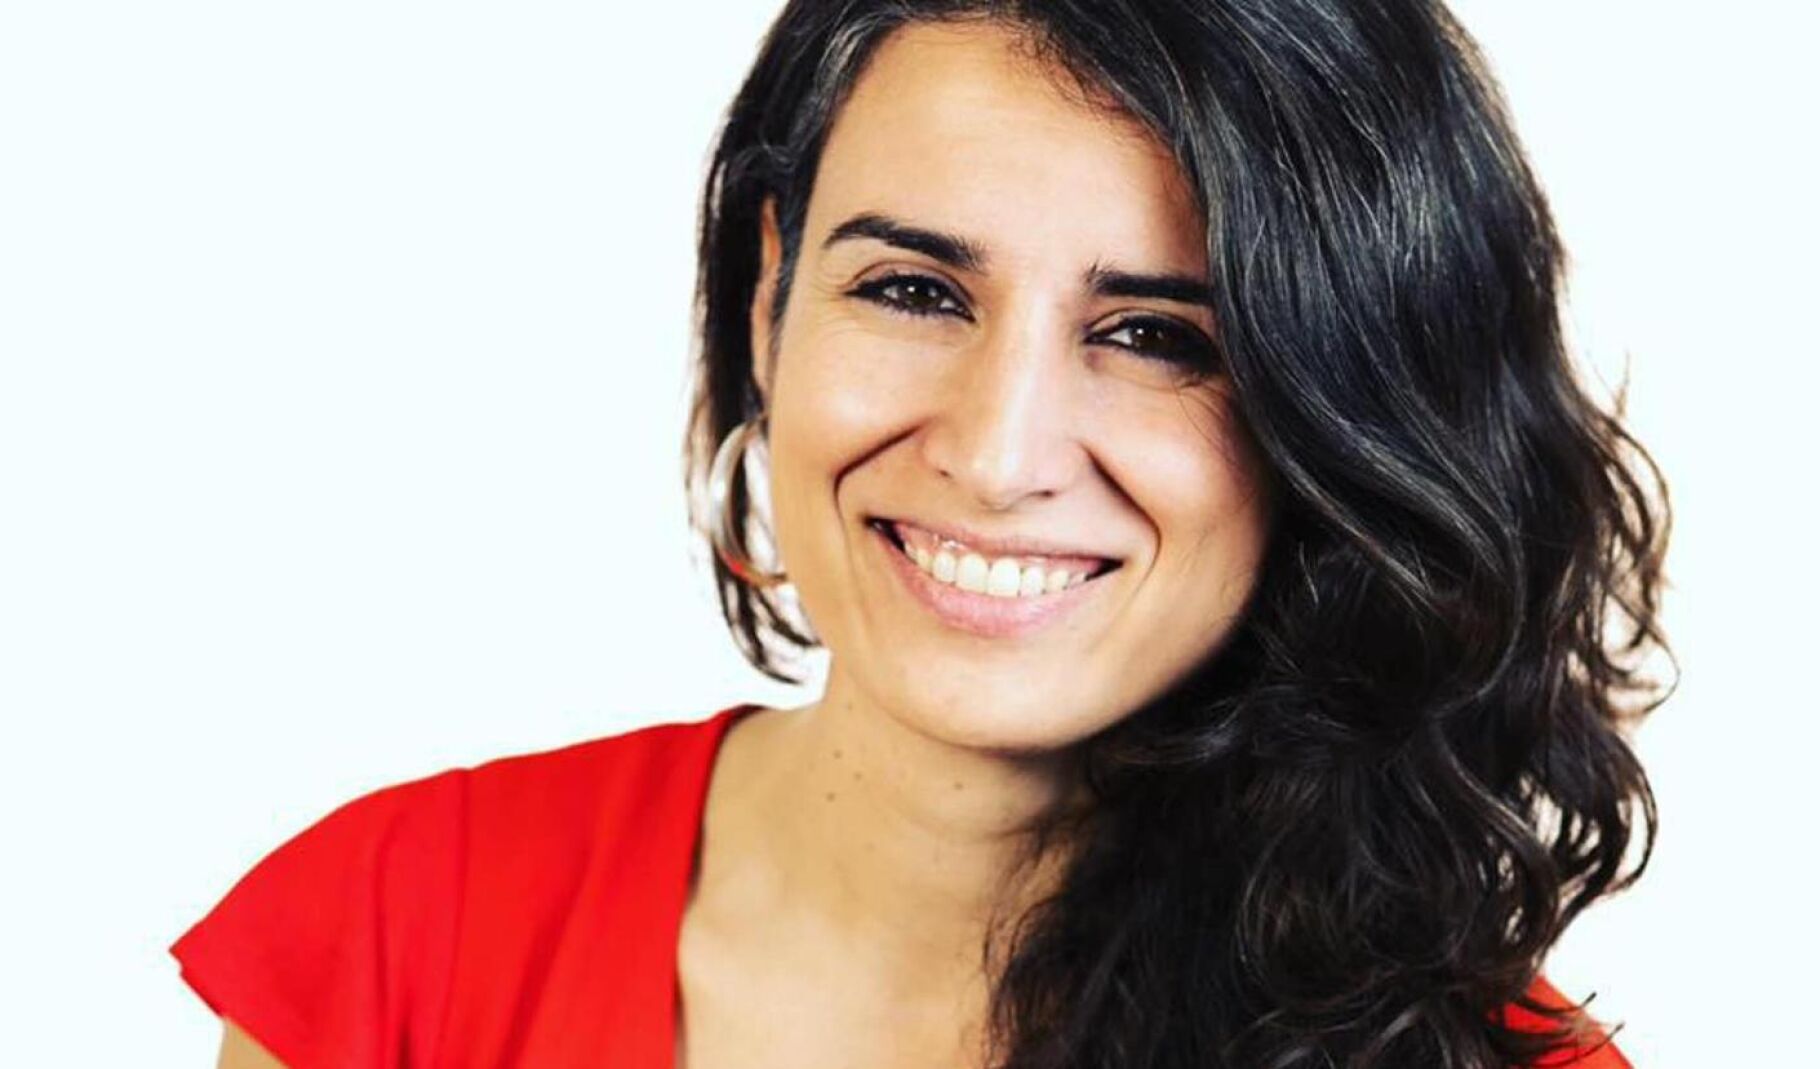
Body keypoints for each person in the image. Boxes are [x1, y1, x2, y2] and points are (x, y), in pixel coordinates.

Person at [171, 1, 1671, 1066]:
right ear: (771, 297)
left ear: (1344, 419)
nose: (996, 454)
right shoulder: (398, 939)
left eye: (1158, 335)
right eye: (913, 292)